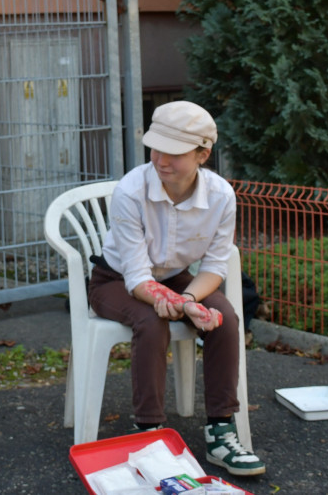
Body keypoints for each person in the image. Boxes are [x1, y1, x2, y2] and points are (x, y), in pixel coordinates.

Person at [87, 101, 266, 477]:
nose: (161, 160)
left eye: (175, 154)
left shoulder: (220, 195)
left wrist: (187, 301)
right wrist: (175, 306)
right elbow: (137, 276)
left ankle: (221, 431)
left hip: (177, 279)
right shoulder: (131, 191)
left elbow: (215, 266)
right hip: (116, 280)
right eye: (156, 149)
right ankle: (149, 433)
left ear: (203, 153)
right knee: (153, 323)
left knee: (226, 318)